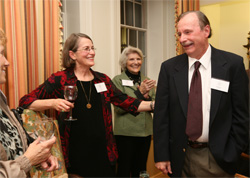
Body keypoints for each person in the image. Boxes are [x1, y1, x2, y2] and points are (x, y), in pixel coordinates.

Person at [19, 33, 153, 177]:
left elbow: (128, 102)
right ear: (72, 54)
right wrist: (53, 103)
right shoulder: (60, 79)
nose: (92, 52)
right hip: (75, 152)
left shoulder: (102, 80)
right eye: (86, 49)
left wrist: (155, 105)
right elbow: (25, 101)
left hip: (104, 152)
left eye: (93, 48)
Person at [153, 11, 249, 177]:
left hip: (218, 158)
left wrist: (232, 151)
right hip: (180, 158)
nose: (182, 39)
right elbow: (162, 117)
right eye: (179, 33)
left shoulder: (232, 65)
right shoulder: (169, 68)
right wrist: (162, 155)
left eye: (188, 32)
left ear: (206, 30)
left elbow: (242, 115)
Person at [0, 28, 58, 177]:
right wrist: (27, 160)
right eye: (1, 53)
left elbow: (12, 137)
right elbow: (25, 101)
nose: (6, 62)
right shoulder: (59, 78)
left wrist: (39, 156)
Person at [112, 46, 156, 177]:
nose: (136, 62)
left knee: (141, 169)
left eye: (138, 59)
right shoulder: (117, 80)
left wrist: (147, 97)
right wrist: (139, 93)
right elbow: (119, 108)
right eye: (131, 59)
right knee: (124, 169)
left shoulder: (147, 80)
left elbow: (155, 104)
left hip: (145, 132)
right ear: (124, 62)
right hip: (126, 133)